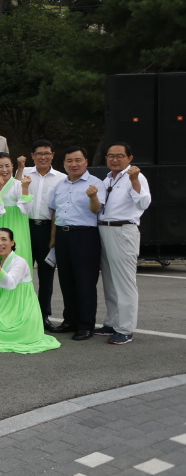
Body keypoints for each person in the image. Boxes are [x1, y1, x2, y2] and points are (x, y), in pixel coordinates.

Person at [95, 142, 151, 346]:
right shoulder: (108, 178)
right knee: (110, 280)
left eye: (119, 156)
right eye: (110, 156)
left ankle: (125, 328)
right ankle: (111, 322)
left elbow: (143, 203)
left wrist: (135, 180)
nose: (114, 159)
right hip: (104, 229)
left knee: (125, 282)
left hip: (123, 230)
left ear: (130, 158)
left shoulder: (135, 177)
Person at [0, 229, 62, 354]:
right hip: (6, 306)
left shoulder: (20, 262)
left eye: (4, 239)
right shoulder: (0, 261)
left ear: (12, 243)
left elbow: (9, 283)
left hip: (20, 310)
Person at [48, 146, 103, 341]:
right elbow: (55, 213)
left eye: (78, 160)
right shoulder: (60, 185)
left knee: (85, 282)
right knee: (66, 281)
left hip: (85, 236)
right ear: (64, 163)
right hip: (63, 236)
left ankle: (86, 325)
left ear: (86, 162)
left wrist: (93, 197)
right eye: (69, 161)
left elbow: (97, 209)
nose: (74, 164)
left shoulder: (95, 183)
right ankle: (69, 320)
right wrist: (53, 239)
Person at [19, 140, 65, 329]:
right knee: (22, 272)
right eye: (39, 153)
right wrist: (19, 168)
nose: (43, 157)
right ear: (32, 155)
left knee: (46, 276)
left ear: (53, 155)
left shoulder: (61, 178)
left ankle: (43, 315)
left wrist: (54, 237)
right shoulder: (24, 173)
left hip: (48, 230)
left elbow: (58, 210)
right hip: (24, 227)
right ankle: (22, 313)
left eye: (47, 153)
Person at [0, 153, 34, 268]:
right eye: (0, 166)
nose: (4, 170)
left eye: (7, 166)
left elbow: (26, 210)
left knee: (16, 261)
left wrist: (25, 189)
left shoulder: (19, 185)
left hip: (16, 226)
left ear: (13, 166)